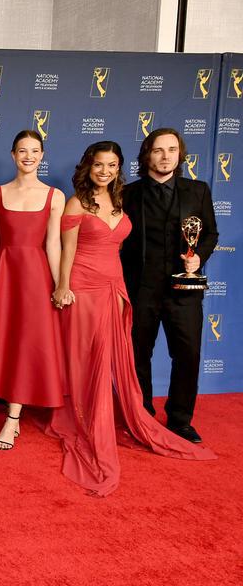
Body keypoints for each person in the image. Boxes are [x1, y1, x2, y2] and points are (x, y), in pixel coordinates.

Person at [46, 141, 215, 496]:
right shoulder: (77, 202)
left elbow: (123, 249)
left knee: (112, 356)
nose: (104, 171)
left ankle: (129, 416)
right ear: (87, 167)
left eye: (111, 165)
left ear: (119, 168)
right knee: (83, 358)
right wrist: (63, 286)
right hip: (83, 287)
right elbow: (67, 249)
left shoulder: (123, 202)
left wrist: (126, 291)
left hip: (115, 288)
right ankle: (82, 418)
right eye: (98, 165)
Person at [120, 128, 218, 444]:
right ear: (147, 154)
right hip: (140, 289)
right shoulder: (126, 193)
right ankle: (142, 415)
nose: (165, 157)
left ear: (180, 154)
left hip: (184, 291)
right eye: (159, 150)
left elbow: (209, 234)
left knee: (188, 355)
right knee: (137, 355)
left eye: (172, 150)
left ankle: (180, 419)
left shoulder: (198, 191)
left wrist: (197, 258)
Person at [0, 130, 65, 450]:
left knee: (29, 344)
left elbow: (53, 243)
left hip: (37, 279)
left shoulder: (55, 196)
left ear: (42, 156)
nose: (29, 156)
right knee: (8, 341)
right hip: (4, 275)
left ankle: (12, 418)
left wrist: (59, 284)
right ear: (13, 155)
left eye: (35, 151)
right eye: (22, 151)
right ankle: (7, 411)